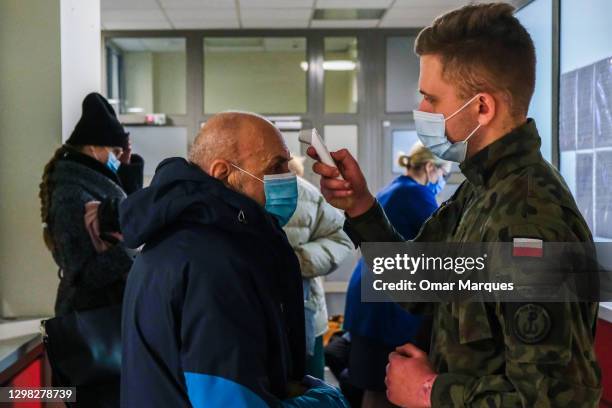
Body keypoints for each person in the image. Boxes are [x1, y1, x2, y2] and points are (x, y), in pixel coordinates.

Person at [307, 3, 601, 407]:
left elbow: (553, 398)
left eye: (431, 98)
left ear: (482, 107)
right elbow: (420, 283)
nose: (421, 112)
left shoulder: (526, 216)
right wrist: (360, 206)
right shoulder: (482, 190)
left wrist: (430, 392)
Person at [119, 112, 348, 407]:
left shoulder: (182, 239)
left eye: (287, 166)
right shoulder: (213, 264)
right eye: (275, 167)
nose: (288, 179)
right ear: (223, 173)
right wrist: (324, 402)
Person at [343, 143, 450, 408]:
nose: (442, 181)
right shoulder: (417, 196)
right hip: (388, 308)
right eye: (443, 174)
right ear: (429, 167)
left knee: (375, 387)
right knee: (388, 390)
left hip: (369, 301)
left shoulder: (395, 188)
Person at [39, 92, 143, 317]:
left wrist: (126, 168)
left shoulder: (93, 180)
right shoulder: (71, 195)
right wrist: (130, 250)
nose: (118, 157)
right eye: (115, 152)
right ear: (94, 148)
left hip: (107, 310)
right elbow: (83, 275)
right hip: (90, 318)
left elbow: (129, 212)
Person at [284, 157, 353, 380]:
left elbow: (341, 238)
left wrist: (296, 261)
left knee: (308, 388)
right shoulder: (228, 194)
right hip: (246, 315)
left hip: (305, 313)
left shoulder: (305, 194)